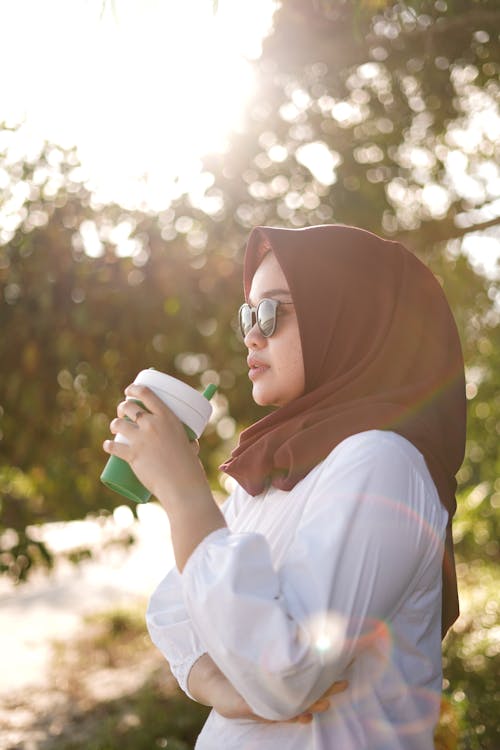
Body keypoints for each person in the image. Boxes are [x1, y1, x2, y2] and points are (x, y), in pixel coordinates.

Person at [103, 224, 466, 749]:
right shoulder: (280, 462)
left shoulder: (383, 461)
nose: (252, 334)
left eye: (271, 312)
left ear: (350, 319)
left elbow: (287, 670)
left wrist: (183, 491)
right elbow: (174, 608)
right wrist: (222, 689)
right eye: (247, 315)